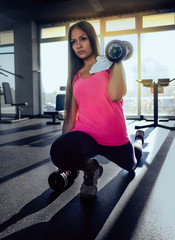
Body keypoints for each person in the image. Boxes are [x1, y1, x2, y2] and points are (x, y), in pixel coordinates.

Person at [50, 21, 144, 198]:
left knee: (132, 166)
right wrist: (64, 156)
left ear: (92, 39)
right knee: (58, 150)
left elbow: (116, 95)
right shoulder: (75, 76)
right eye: (73, 41)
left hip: (114, 138)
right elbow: (70, 116)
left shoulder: (108, 64)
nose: (78, 45)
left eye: (83, 38)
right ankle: (91, 169)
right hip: (86, 136)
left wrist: (117, 60)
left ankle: (138, 141)